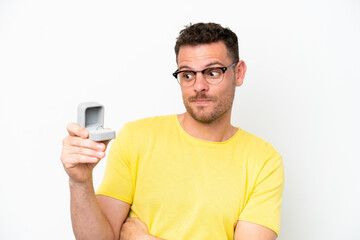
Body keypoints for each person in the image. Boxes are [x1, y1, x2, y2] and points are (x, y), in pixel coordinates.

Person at [61, 22, 284, 240]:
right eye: (187, 74)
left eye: (213, 72)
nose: (199, 86)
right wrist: (80, 182)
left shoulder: (263, 160)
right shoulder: (136, 138)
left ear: (239, 73)